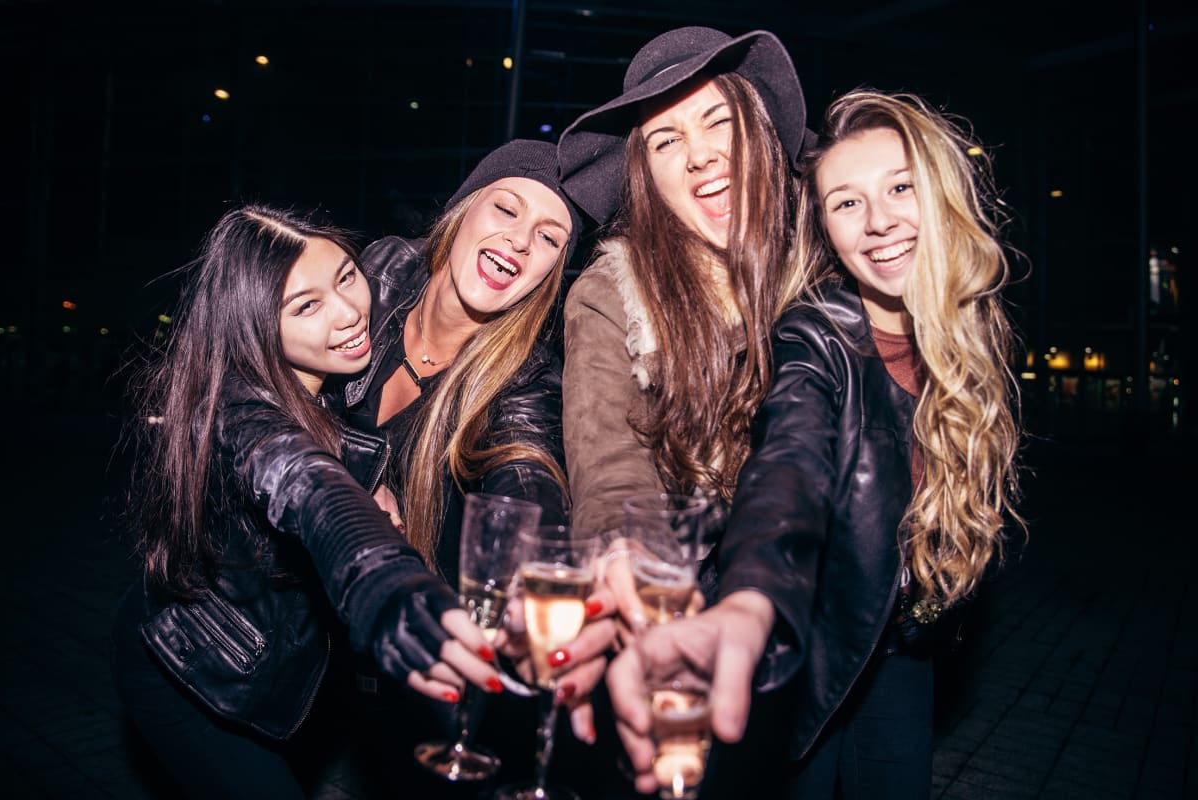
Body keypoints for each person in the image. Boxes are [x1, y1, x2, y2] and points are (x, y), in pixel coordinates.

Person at [607, 88, 1026, 799]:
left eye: (899, 187)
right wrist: (749, 600)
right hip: (806, 641)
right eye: (846, 202)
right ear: (825, 228)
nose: (880, 221)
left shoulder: (967, 331)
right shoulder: (816, 339)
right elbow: (787, 470)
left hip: (896, 645)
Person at [110, 204, 507, 800]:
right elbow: (301, 481)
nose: (350, 313)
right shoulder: (240, 409)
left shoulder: (328, 384)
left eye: (347, 277)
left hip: (268, 677)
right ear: (254, 327)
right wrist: (389, 588)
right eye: (306, 306)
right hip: (192, 672)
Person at [336, 139, 621, 793]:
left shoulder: (524, 379)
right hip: (296, 649)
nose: (520, 243)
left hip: (412, 678)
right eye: (505, 210)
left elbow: (528, 479)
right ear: (463, 210)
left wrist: (535, 589)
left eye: (549, 238)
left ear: (552, 271)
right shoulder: (377, 279)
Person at [555, 26, 816, 607]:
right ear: (646, 177)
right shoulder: (612, 295)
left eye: (718, 121)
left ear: (763, 131)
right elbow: (612, 470)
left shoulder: (828, 264)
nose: (700, 155)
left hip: (846, 605)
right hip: (697, 601)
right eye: (666, 141)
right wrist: (630, 561)